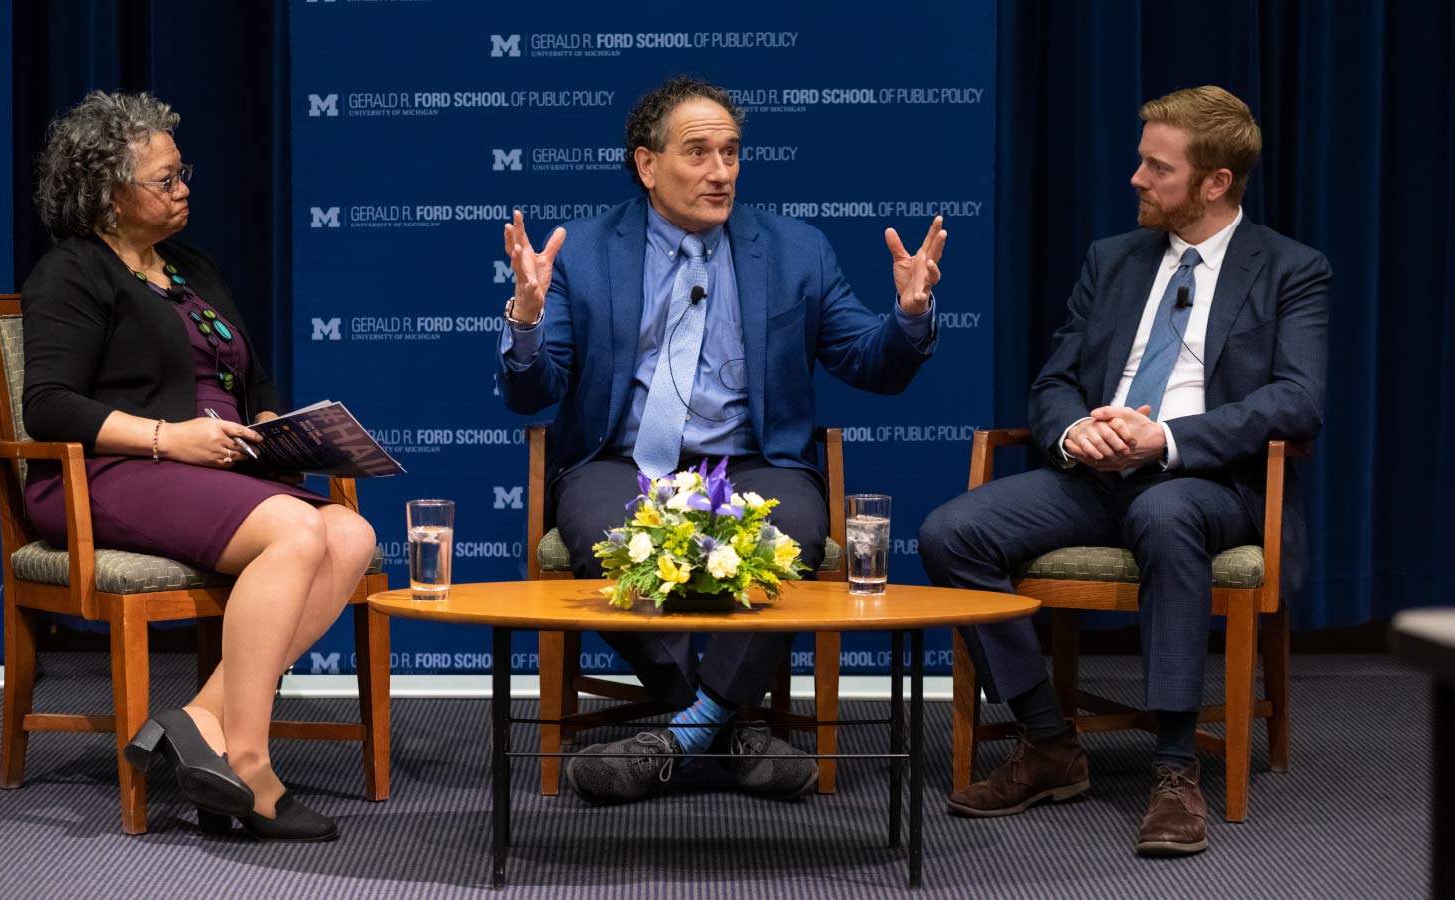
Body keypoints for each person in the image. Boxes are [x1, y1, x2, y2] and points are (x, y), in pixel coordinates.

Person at [497, 75, 947, 805]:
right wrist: (524, 317)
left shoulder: (797, 249)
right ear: (647, 165)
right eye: (699, 153)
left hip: (753, 462)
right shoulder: (580, 251)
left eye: (732, 153)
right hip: (625, 461)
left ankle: (680, 735)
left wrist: (909, 316)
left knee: (794, 531)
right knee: (607, 535)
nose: (721, 172)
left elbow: (869, 364)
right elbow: (533, 391)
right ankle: (728, 730)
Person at [917, 85, 1329, 855]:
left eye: (1156, 167)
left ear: (1214, 182)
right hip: (1094, 474)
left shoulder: (1290, 270)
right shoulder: (1113, 260)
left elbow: (1296, 402)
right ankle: (1047, 742)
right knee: (951, 533)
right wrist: (1077, 432)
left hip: (1205, 481)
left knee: (1164, 515)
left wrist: (1164, 439)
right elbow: (1055, 380)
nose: (1135, 179)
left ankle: (1175, 771)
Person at [21, 91, 377, 841]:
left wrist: (275, 420)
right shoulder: (71, 274)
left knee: (349, 535)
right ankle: (245, 760)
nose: (184, 191)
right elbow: (48, 405)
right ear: (107, 193)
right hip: (105, 476)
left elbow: (252, 377)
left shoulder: (192, 266)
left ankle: (194, 723)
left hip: (211, 471)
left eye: (184, 175)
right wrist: (166, 437)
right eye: (165, 180)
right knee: (295, 531)